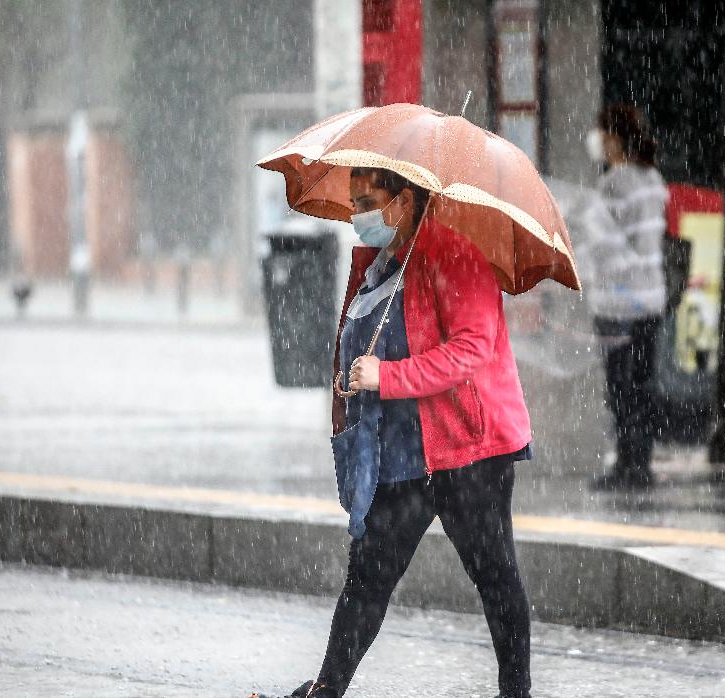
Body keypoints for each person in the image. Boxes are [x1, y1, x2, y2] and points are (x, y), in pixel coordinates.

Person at [256, 167, 535, 698]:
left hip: (467, 450)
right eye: (356, 200)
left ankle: (515, 694)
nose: (359, 213)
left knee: (496, 579)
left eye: (368, 200)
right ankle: (326, 690)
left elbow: (472, 349)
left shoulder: (455, 255)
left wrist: (389, 376)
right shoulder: (378, 263)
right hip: (403, 452)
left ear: (404, 201)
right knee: (367, 578)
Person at [584, 104, 669, 490]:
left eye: (600, 132)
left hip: (619, 303)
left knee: (620, 388)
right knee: (643, 385)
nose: (596, 140)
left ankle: (627, 467)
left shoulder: (613, 185)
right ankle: (641, 463)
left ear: (614, 138)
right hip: (650, 299)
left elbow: (603, 248)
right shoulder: (652, 179)